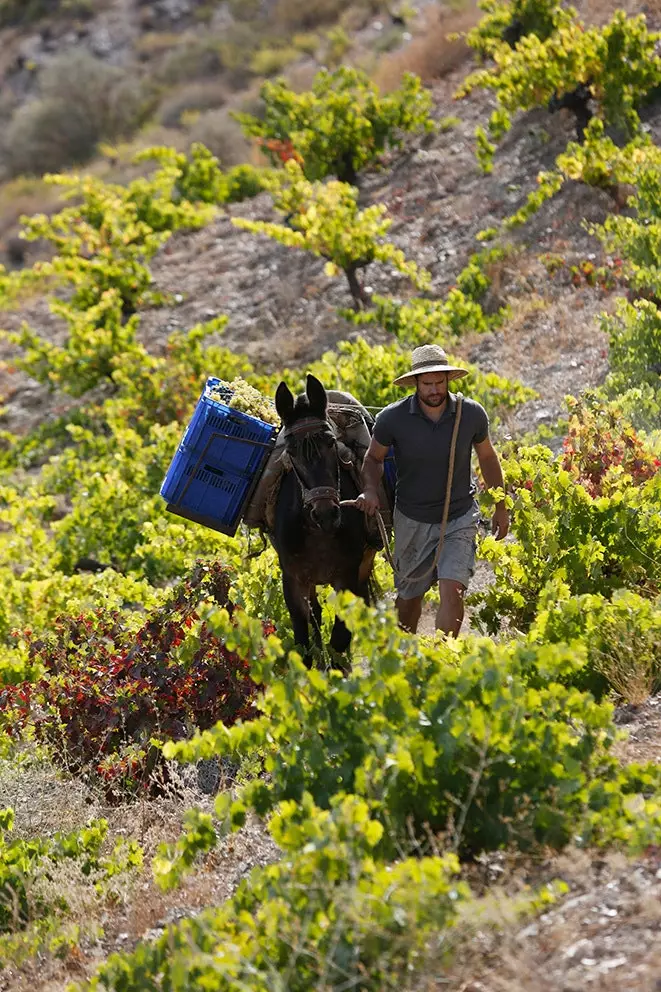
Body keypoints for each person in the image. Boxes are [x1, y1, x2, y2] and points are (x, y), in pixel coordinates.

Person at [356, 344, 509, 636]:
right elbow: (373, 459)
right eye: (427, 383)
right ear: (415, 383)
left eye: (440, 381)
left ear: (448, 379)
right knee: (409, 598)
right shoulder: (392, 418)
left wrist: (501, 507)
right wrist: (370, 490)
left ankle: (443, 659)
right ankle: (405, 659)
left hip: (460, 517)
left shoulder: (471, 414)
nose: (435, 389)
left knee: (453, 590)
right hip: (412, 519)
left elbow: (488, 457)